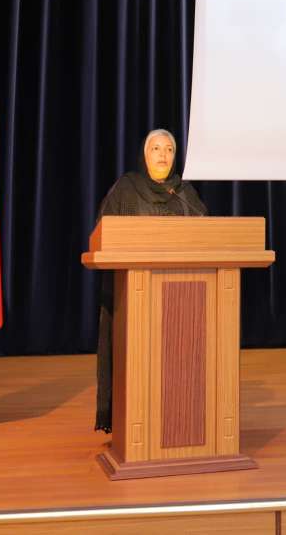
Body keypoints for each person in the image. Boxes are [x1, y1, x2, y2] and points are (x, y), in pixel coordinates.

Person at [95, 128, 208, 432]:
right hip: (134, 299)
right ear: (144, 155)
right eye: (156, 148)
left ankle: (179, 417)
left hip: (180, 300)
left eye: (169, 149)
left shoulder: (185, 193)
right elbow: (103, 233)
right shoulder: (126, 189)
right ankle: (132, 419)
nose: (163, 155)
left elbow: (206, 235)